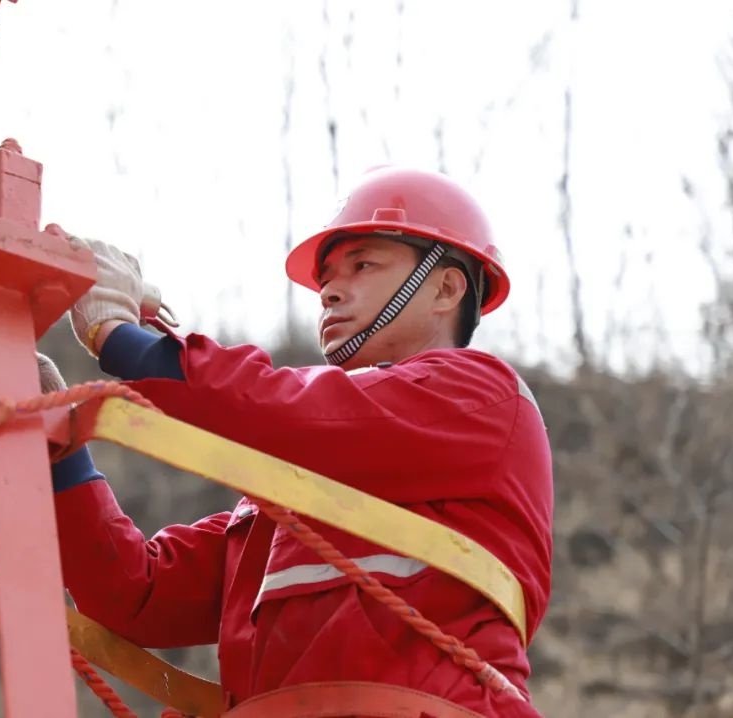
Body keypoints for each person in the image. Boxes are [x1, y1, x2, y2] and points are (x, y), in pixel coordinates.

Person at [41, 166, 553, 717]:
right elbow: (138, 596)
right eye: (328, 276)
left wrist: (121, 337)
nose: (330, 290)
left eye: (363, 264)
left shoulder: (482, 397)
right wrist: (62, 454)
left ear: (447, 287)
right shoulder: (284, 502)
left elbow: (282, 408)